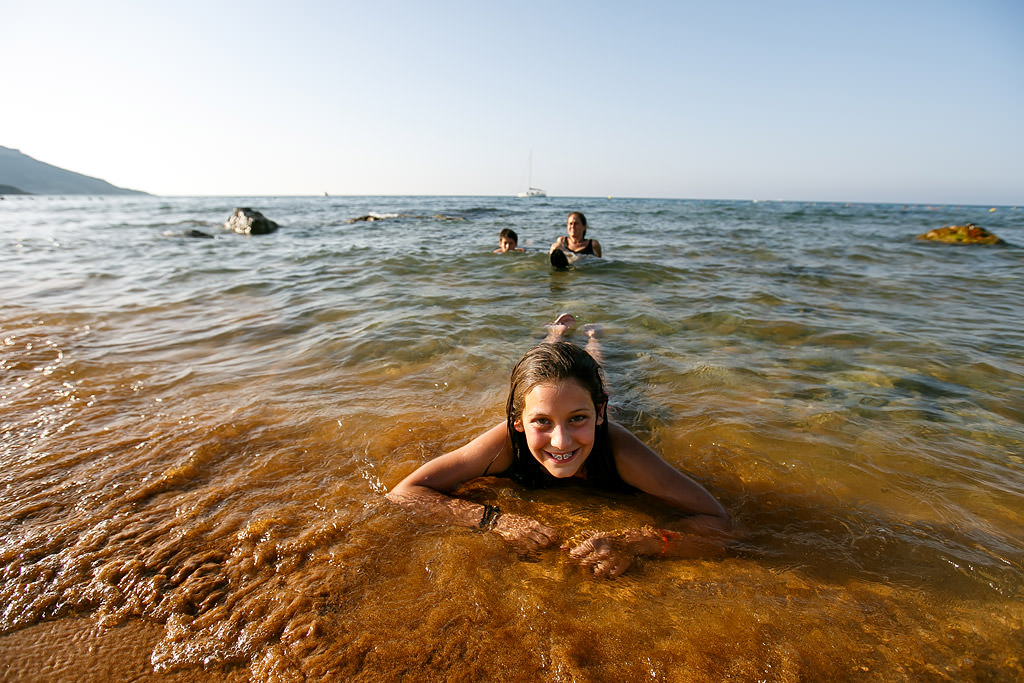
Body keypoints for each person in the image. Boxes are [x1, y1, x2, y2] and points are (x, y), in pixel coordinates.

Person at [386, 326, 731, 578]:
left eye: (577, 419)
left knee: (598, 370)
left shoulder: (622, 452)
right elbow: (404, 493)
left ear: (598, 413)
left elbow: (722, 525)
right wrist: (496, 520)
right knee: (557, 372)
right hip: (567, 403)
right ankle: (557, 333)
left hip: (617, 409)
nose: (562, 441)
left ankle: (595, 339)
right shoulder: (505, 443)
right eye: (542, 422)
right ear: (517, 421)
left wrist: (636, 543)